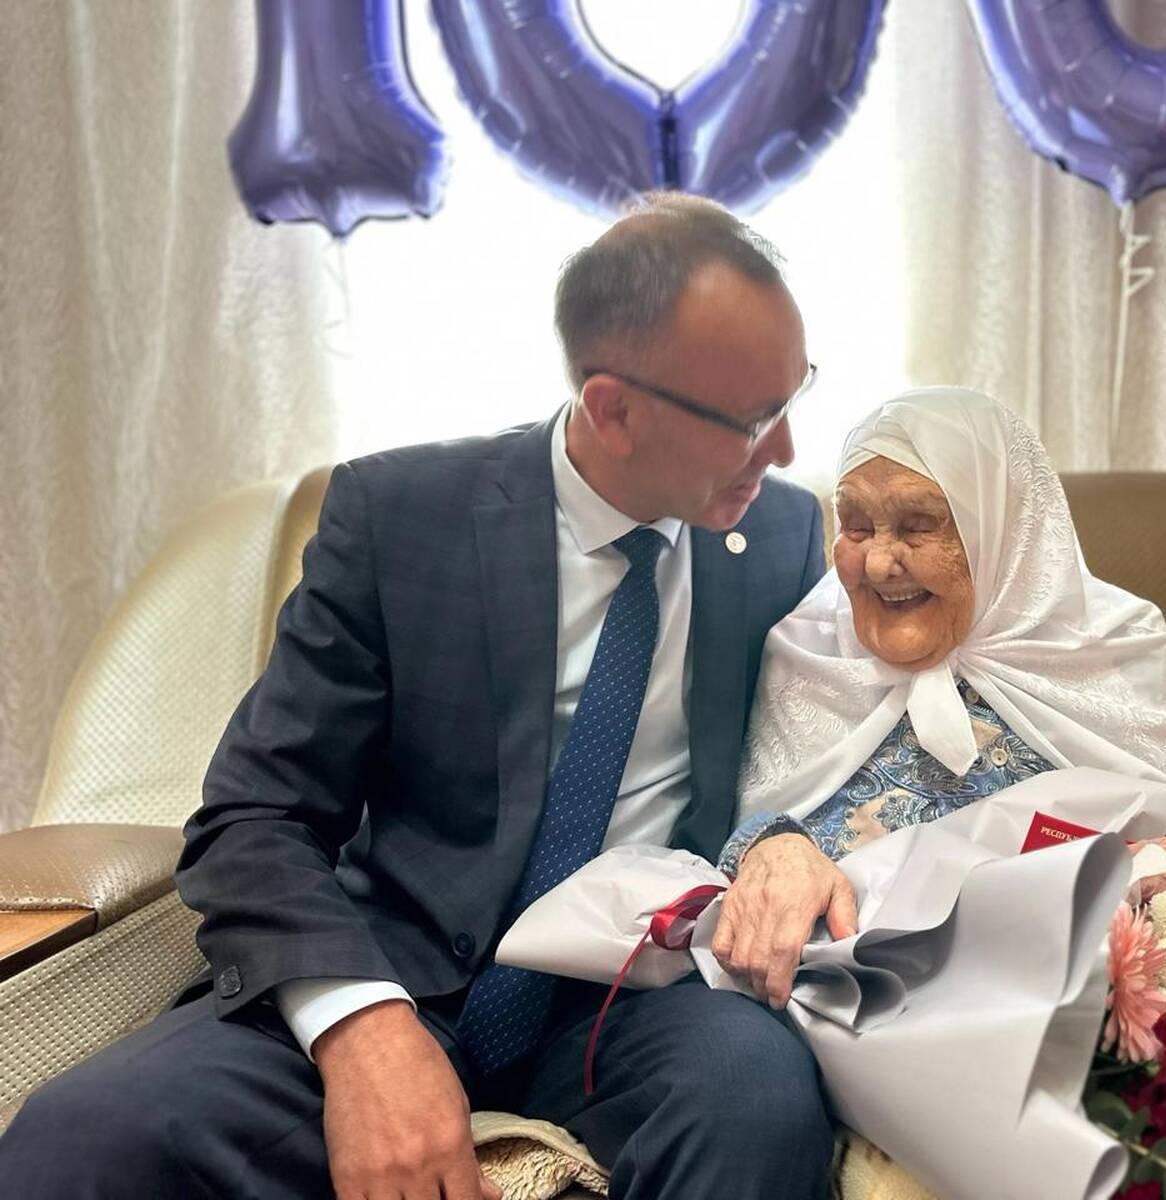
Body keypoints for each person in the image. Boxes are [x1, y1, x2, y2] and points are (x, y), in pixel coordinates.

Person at [0, 194, 837, 1199]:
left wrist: (788, 839)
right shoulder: (398, 518)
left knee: (759, 1103)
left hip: (634, 994)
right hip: (393, 963)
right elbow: (256, 816)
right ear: (614, 409)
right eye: (751, 419)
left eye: (794, 395)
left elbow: (827, 752)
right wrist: (360, 1026)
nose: (786, 451)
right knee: (82, 1140)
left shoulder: (780, 537)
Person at [713, 388, 1166, 1011]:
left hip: (1094, 1016)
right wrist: (770, 845)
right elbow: (736, 833)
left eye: (919, 526)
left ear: (1004, 529)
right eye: (857, 527)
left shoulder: (1114, 647)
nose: (877, 563)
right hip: (837, 1012)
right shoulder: (809, 652)